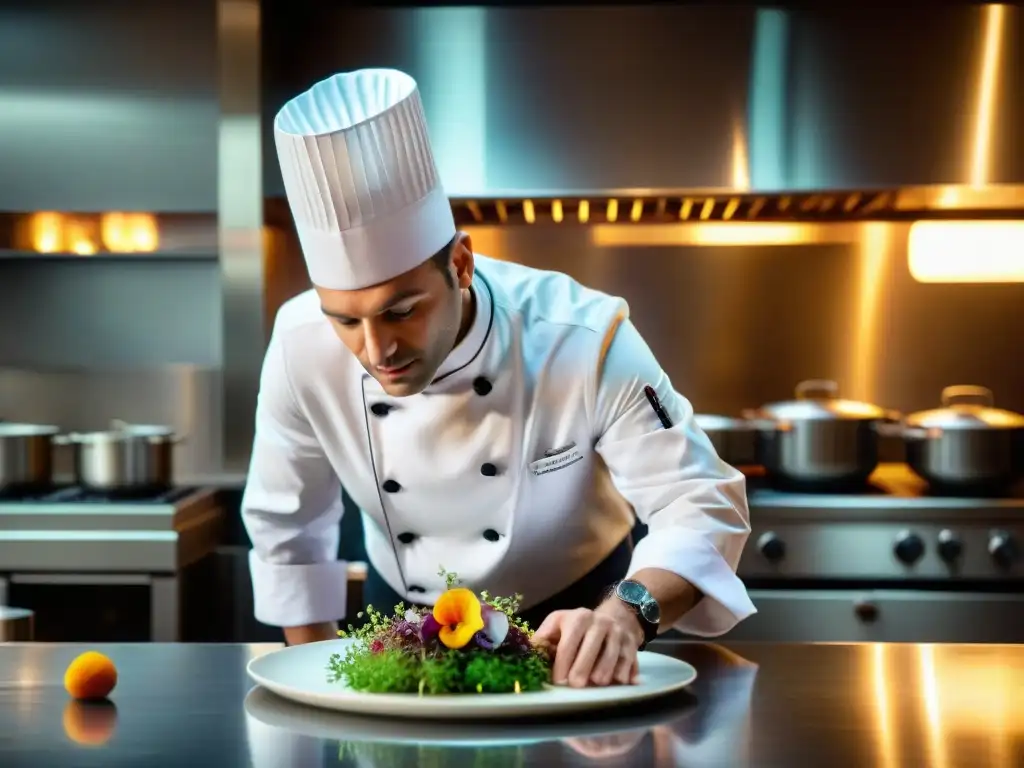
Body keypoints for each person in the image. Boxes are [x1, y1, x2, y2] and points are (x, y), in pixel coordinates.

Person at [241, 68, 756, 689]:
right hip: (401, 633)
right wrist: (320, 684)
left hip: (579, 625)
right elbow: (287, 528)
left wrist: (626, 615)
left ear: (459, 263)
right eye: (346, 320)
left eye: (402, 311)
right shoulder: (299, 343)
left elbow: (700, 500)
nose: (376, 349)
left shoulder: (582, 336)